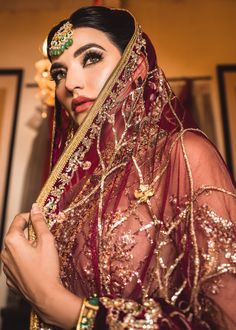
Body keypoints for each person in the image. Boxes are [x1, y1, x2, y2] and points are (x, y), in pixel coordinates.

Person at [1, 6, 236, 330]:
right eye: (59, 72)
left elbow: (226, 320)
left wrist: (61, 307)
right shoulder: (74, 187)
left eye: (91, 58)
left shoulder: (182, 154)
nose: (71, 83)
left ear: (136, 66)